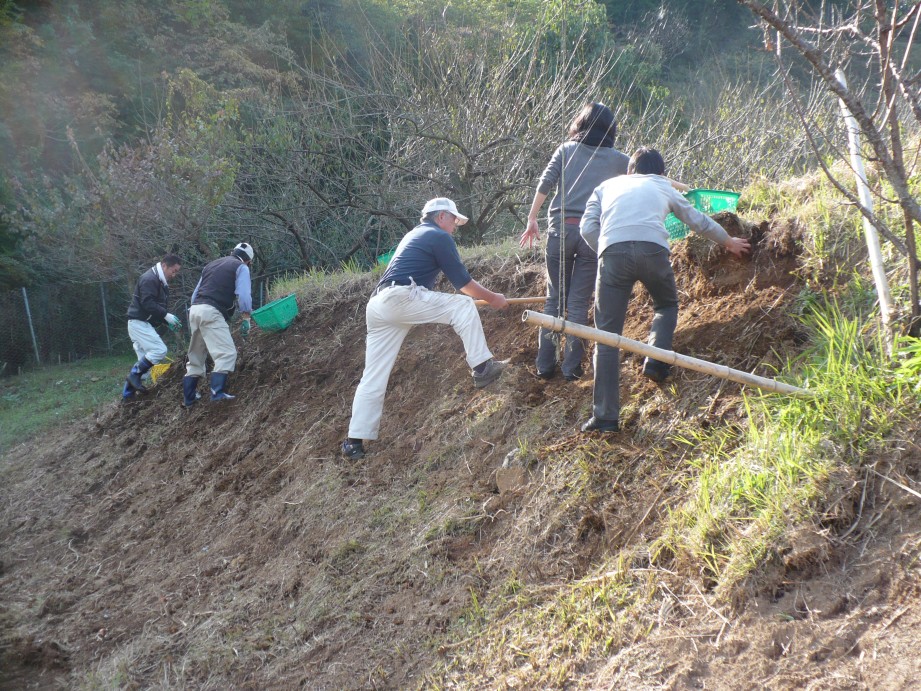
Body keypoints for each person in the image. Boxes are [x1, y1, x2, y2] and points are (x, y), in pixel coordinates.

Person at [579, 147, 751, 433]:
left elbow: (586, 228)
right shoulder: (663, 185)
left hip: (611, 254)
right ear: (661, 173)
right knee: (666, 305)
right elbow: (697, 220)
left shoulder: (606, 186)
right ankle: (657, 360)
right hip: (653, 251)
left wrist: (607, 250)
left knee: (606, 337)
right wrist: (729, 242)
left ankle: (605, 417)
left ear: (629, 171)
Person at [341, 198, 509, 460]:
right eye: (453, 220)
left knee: (373, 376)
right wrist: (493, 298)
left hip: (378, 306)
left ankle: (353, 442)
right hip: (400, 298)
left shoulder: (415, 234)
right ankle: (482, 368)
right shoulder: (438, 236)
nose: (455, 226)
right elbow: (463, 283)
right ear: (441, 216)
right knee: (463, 305)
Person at [520, 102, 630, 381]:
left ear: (579, 123)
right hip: (592, 235)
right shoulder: (620, 160)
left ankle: (544, 366)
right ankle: (571, 368)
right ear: (611, 130)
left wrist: (532, 218)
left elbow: (545, 183)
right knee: (579, 303)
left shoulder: (566, 150)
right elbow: (645, 177)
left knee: (554, 300)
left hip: (560, 231)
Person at [182, 242, 254, 405]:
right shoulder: (241, 267)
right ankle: (217, 393)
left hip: (194, 310)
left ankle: (189, 398)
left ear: (232, 252)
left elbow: (194, 295)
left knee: (196, 356)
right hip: (211, 311)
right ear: (248, 260)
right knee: (227, 353)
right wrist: (246, 317)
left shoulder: (210, 265)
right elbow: (243, 295)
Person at [123, 254, 183, 399]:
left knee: (144, 364)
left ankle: (127, 396)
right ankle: (134, 375)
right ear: (164, 266)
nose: (174, 275)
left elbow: (154, 308)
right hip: (138, 323)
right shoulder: (149, 279)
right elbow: (147, 303)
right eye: (173, 271)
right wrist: (166, 315)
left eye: (176, 272)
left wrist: (166, 321)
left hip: (140, 323)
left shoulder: (160, 281)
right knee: (159, 350)